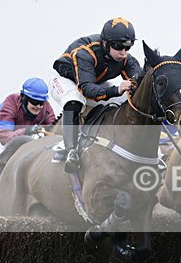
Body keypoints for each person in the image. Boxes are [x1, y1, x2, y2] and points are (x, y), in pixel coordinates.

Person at [48, 17, 143, 173]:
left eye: (128, 47)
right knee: (74, 100)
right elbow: (86, 90)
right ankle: (70, 149)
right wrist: (115, 90)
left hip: (93, 81)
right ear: (105, 43)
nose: (123, 53)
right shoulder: (85, 53)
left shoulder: (126, 58)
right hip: (67, 81)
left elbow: (138, 85)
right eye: (119, 47)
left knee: (126, 99)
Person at [0, 77, 57, 212]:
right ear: (23, 98)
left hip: (24, 139)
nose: (38, 106)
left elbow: (52, 129)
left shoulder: (46, 108)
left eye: (41, 102)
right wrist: (26, 131)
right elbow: (3, 136)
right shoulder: (11, 102)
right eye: (34, 102)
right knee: (3, 156)